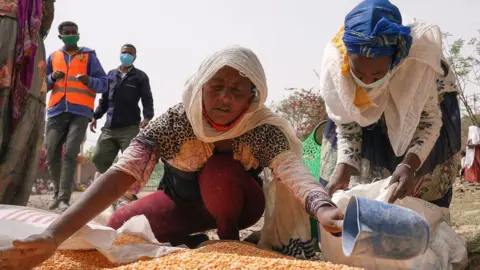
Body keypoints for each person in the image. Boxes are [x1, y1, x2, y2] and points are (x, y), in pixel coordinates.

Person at [0, 46, 344, 269]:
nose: (225, 98)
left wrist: (324, 207)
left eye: (237, 90)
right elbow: (123, 172)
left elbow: (293, 172)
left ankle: (228, 245)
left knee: (220, 172)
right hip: (182, 203)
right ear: (201, 87)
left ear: (251, 98)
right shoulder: (175, 121)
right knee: (118, 226)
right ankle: (190, 238)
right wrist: (55, 235)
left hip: (238, 207)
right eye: (216, 87)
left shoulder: (261, 128)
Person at [319, 0, 461, 208]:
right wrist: (345, 166)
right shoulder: (336, 67)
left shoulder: (417, 67)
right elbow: (348, 125)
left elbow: (428, 123)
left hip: (426, 111)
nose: (368, 82)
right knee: (359, 192)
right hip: (372, 122)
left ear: (395, 59)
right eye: (359, 73)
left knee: (413, 193)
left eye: (377, 74)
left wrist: (409, 165)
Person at [45, 21, 108, 211]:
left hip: (80, 111)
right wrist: (51, 78)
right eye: (67, 32)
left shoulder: (88, 56)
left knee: (71, 153)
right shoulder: (53, 56)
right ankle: (57, 193)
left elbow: (104, 84)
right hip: (56, 111)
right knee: (50, 154)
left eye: (74, 32)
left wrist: (89, 80)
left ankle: (64, 198)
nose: (71, 34)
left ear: (78, 34)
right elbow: (42, 85)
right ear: (60, 36)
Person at [0, 0, 55, 205]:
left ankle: (7, 203)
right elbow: (46, 19)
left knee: (22, 118)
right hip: (21, 41)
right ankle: (8, 202)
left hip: (27, 47)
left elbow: (46, 18)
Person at [90, 44, 154, 209]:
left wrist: (147, 117)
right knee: (98, 157)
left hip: (130, 127)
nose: (126, 55)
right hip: (109, 127)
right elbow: (104, 101)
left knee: (129, 164)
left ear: (135, 57)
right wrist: (95, 116)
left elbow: (147, 99)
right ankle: (111, 190)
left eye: (130, 53)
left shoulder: (140, 77)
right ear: (120, 54)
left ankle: (124, 199)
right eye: (124, 52)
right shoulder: (110, 76)